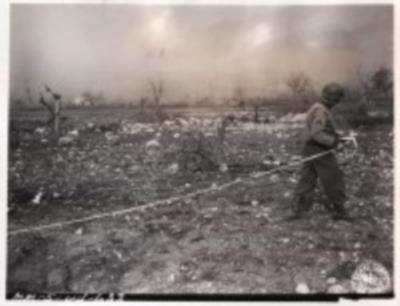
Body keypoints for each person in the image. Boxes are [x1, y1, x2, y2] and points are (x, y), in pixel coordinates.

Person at [288, 82, 352, 221]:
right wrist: (333, 142)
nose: (337, 103)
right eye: (337, 100)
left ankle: (296, 210)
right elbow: (317, 133)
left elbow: (320, 131)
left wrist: (339, 138)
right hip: (318, 148)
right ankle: (340, 210)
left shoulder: (317, 108)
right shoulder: (321, 111)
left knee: (307, 179)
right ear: (332, 99)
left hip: (309, 148)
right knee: (333, 178)